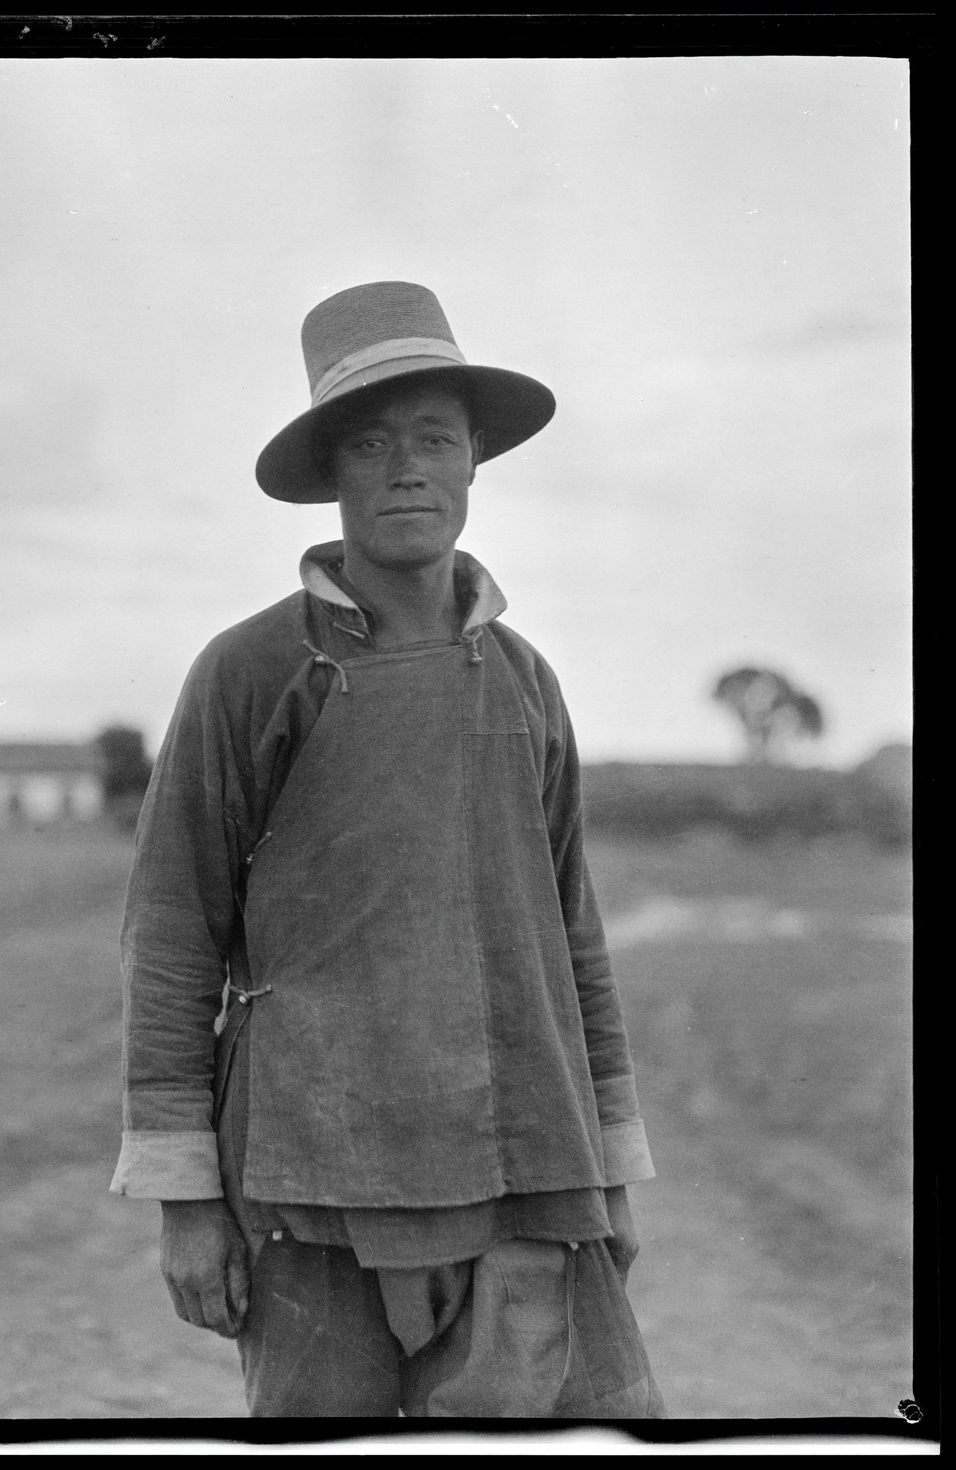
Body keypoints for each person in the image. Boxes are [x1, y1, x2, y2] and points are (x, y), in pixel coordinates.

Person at [110, 281, 666, 1419]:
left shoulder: (525, 680)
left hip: (532, 1177)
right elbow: (173, 930)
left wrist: (609, 1165)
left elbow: (572, 934)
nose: (406, 468)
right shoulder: (253, 670)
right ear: (334, 473)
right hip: (317, 1183)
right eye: (371, 443)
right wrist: (186, 1199)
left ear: (474, 466)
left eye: (434, 440)